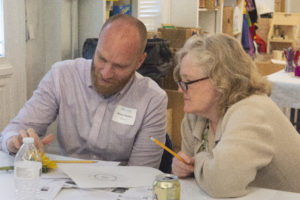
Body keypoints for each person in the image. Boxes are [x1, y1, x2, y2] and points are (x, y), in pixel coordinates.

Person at [0, 14, 167, 168]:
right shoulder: (62, 76)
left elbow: (142, 176)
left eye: (119, 66)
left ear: (139, 61)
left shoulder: (152, 99)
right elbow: (14, 129)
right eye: (101, 58)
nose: (106, 73)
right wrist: (16, 143)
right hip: (66, 185)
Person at [171, 33, 300, 197]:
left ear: (221, 80)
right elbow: (192, 175)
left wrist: (197, 163)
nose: (180, 90)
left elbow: (221, 183)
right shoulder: (197, 115)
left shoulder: (252, 111)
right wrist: (182, 168)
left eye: (187, 82)